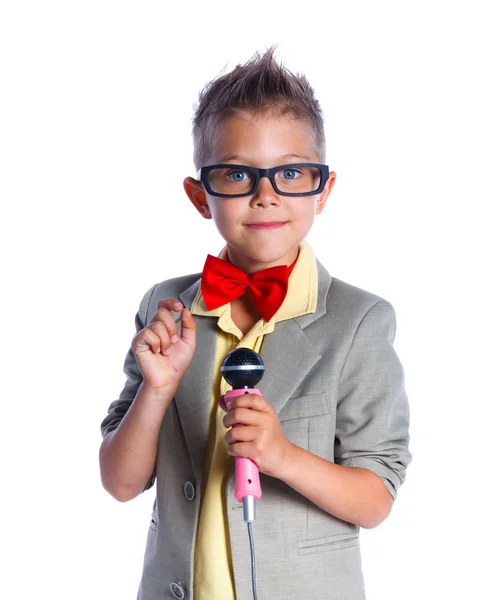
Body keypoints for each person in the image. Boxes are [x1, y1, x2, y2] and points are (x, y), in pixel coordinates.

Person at [99, 48, 411, 600]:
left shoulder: (359, 321)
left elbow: (376, 498)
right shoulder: (164, 307)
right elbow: (121, 483)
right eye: (237, 173)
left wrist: (283, 456)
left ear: (325, 188)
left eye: (291, 172)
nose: (265, 194)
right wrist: (157, 389)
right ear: (200, 196)